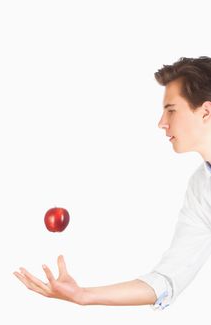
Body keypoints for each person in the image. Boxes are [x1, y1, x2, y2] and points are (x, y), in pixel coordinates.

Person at [13, 56, 211, 311]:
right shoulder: (200, 188)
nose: (161, 123)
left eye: (171, 110)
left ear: (206, 111)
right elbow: (167, 278)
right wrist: (83, 295)